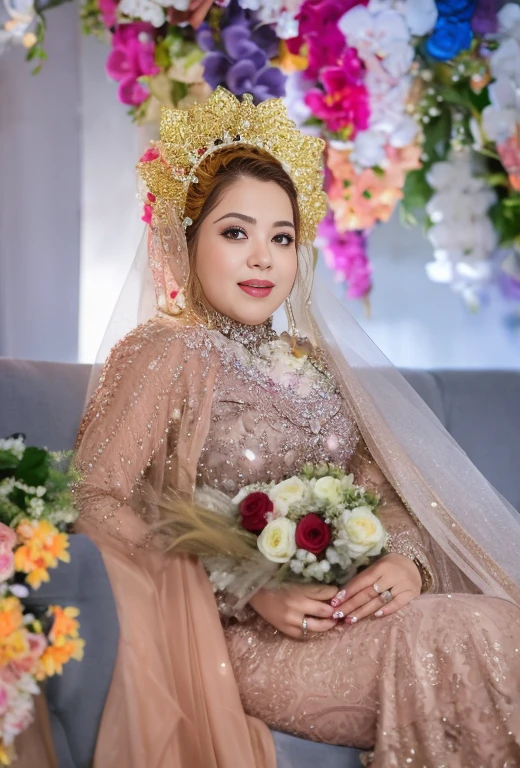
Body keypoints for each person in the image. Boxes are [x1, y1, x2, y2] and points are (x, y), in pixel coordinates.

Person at [71, 88, 520, 768]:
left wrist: (407, 563)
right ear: (184, 239)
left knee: (492, 621)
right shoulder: (163, 353)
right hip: (247, 639)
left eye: (281, 237)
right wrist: (247, 588)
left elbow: (381, 491)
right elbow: (93, 499)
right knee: (465, 633)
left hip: (355, 615)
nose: (263, 258)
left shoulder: (310, 364)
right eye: (235, 232)